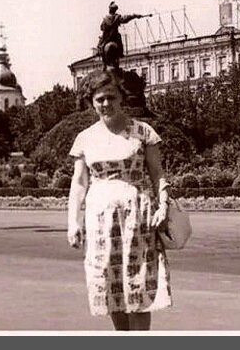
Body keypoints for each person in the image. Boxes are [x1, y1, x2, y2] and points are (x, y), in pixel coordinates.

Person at [67, 69, 172, 331]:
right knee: (111, 285)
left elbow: (158, 174)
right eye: (99, 99)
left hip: (139, 217)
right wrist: (73, 222)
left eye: (111, 97)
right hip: (101, 221)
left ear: (121, 97)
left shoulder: (142, 131)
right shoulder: (85, 138)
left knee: (138, 283)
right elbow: (79, 183)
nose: (106, 104)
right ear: (91, 102)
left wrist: (163, 206)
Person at [98, 2, 146, 69]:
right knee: (119, 40)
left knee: (101, 45)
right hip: (114, 37)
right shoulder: (117, 17)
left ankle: (103, 60)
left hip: (106, 37)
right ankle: (120, 53)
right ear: (115, 10)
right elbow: (125, 19)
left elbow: (101, 27)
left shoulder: (105, 19)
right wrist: (134, 16)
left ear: (110, 9)